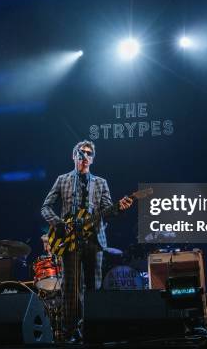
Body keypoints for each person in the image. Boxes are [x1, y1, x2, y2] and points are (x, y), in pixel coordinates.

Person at [41, 140, 132, 342]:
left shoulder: (101, 182)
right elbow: (45, 207)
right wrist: (59, 224)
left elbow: (108, 211)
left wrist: (119, 207)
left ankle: (93, 329)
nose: (85, 156)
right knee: (70, 288)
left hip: (94, 239)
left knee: (94, 287)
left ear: (92, 159)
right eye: (81, 153)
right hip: (69, 240)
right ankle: (68, 332)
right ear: (74, 156)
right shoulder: (63, 180)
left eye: (89, 154)